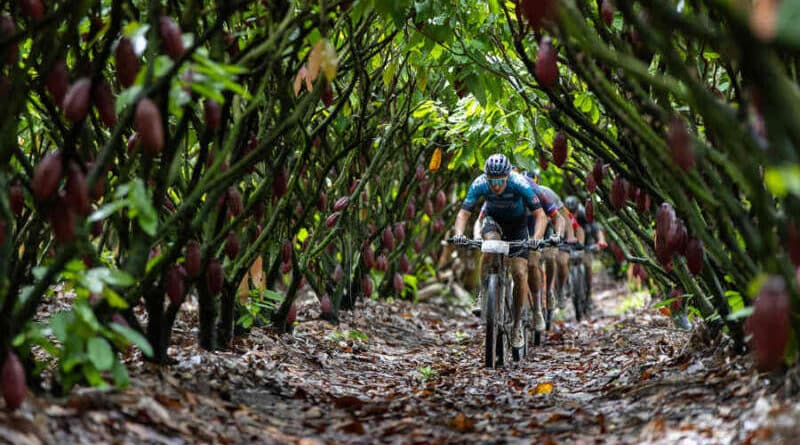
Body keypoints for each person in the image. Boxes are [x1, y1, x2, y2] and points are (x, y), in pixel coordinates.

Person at [452, 154, 548, 349]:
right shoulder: (479, 183)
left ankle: (517, 325)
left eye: (500, 181)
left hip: (518, 226)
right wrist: (459, 234)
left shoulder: (519, 183)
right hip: (493, 221)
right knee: (488, 248)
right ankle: (483, 293)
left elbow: (540, 216)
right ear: (486, 177)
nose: (495, 186)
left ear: (508, 176)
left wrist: (535, 240)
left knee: (520, 273)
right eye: (491, 181)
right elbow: (464, 213)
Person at [525, 171, 575, 316]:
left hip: (546, 228)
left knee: (550, 256)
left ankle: (549, 292)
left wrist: (568, 235)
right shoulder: (518, 192)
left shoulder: (547, 193)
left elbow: (563, 216)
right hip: (525, 227)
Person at [563, 196, 608, 313]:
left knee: (587, 266)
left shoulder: (584, 215)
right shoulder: (561, 216)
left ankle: (588, 294)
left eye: (574, 212)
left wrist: (601, 241)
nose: (572, 214)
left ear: (578, 209)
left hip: (586, 244)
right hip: (568, 243)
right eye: (570, 212)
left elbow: (597, 229)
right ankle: (566, 284)